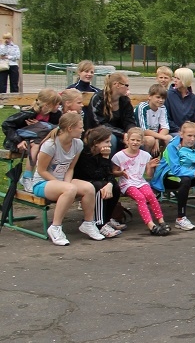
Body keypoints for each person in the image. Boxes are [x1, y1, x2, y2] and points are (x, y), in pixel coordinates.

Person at [31, 112, 105, 245]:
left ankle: (88, 223)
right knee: (70, 189)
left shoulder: (78, 144)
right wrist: (63, 185)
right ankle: (55, 227)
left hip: (63, 181)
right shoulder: (50, 145)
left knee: (89, 188)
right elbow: (41, 170)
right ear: (70, 128)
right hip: (43, 182)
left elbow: (70, 168)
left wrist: (66, 183)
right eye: (80, 127)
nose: (83, 130)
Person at [151, 121, 195, 230]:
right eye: (189, 135)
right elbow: (176, 170)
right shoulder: (172, 147)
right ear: (181, 134)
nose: (192, 139)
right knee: (185, 180)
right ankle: (180, 218)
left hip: (187, 175)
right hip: (167, 177)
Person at [112, 127, 171, 236]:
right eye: (132, 140)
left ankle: (161, 221)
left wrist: (150, 167)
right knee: (140, 198)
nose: (135, 142)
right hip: (127, 183)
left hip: (140, 181)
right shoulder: (119, 156)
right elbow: (113, 172)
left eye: (138, 140)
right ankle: (151, 225)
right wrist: (121, 173)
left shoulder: (145, 155)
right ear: (127, 140)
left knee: (151, 195)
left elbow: (149, 175)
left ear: (142, 142)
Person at [2, 88, 62, 189]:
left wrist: (42, 125)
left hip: (41, 140)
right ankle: (27, 176)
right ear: (47, 105)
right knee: (36, 145)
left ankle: (43, 176)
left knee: (50, 146)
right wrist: (18, 141)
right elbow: (6, 124)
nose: (58, 106)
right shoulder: (29, 113)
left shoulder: (55, 115)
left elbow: (59, 128)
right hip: (20, 141)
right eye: (56, 104)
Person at [76, 126, 124, 238]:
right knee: (100, 187)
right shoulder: (85, 154)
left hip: (95, 180)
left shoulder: (102, 153)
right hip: (82, 182)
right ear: (96, 143)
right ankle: (99, 223)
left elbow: (109, 174)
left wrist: (110, 184)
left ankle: (106, 219)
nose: (110, 145)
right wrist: (105, 158)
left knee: (115, 187)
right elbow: (95, 175)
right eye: (107, 142)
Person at [88, 72, 138, 151]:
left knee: (138, 140)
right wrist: (122, 134)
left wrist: (131, 133)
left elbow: (129, 120)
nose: (128, 89)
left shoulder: (125, 100)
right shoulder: (98, 99)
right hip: (98, 133)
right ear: (117, 85)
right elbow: (99, 124)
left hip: (121, 133)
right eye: (126, 85)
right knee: (111, 139)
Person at [166, 68, 195, 151]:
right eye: (174, 77)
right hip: (174, 131)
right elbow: (166, 118)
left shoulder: (193, 98)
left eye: (178, 78)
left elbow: (194, 119)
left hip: (190, 131)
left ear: (185, 80)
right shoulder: (168, 95)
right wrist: (180, 130)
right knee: (182, 138)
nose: (174, 80)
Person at [135, 83, 172, 156]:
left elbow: (165, 128)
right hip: (139, 135)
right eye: (158, 97)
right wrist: (158, 138)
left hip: (156, 135)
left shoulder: (162, 108)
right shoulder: (142, 107)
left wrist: (157, 140)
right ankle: (146, 160)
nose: (161, 100)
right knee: (150, 140)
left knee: (169, 138)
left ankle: (164, 160)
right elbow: (144, 130)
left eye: (163, 98)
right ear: (149, 96)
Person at [0, 32, 21, 102]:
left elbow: (17, 56)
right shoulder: (1, 46)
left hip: (13, 65)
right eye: (5, 38)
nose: (7, 40)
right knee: (2, 83)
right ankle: (2, 101)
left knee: (14, 83)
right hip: (3, 66)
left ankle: (15, 101)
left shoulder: (15, 47)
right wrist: (3, 46)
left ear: (11, 38)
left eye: (8, 38)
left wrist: (8, 57)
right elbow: (1, 54)